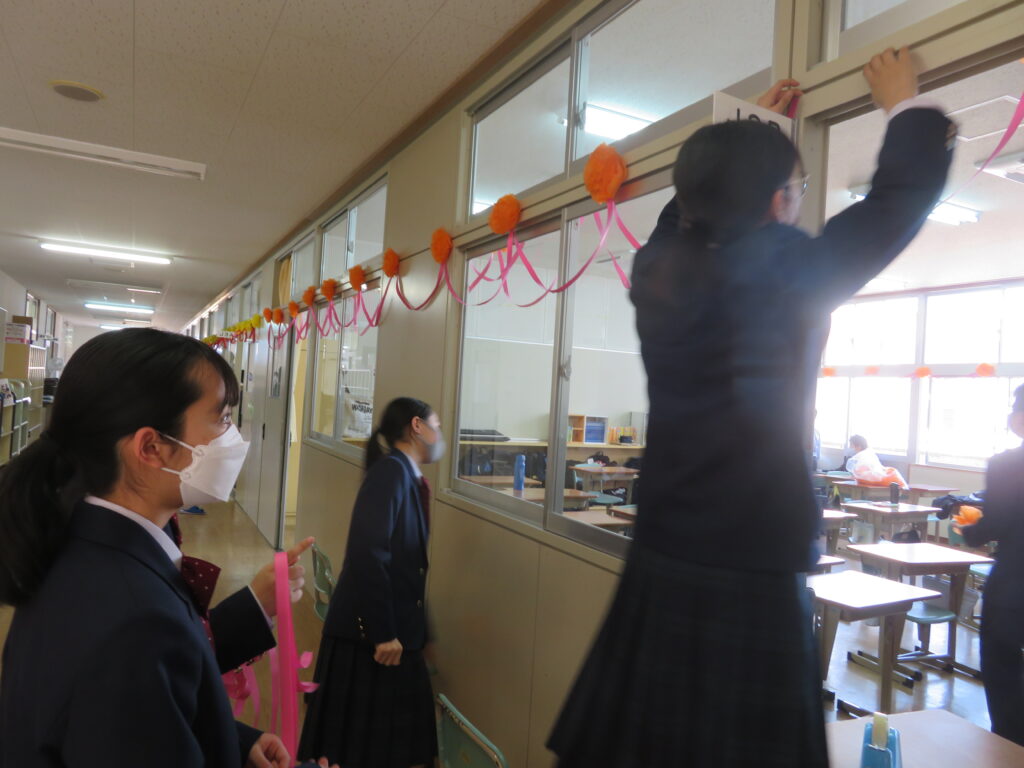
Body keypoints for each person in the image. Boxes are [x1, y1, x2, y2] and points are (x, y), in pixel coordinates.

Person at [548, 48, 954, 767]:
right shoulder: (788, 272)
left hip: (664, 552)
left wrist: (743, 141)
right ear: (775, 202)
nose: (797, 201)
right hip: (755, 566)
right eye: (795, 188)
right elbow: (896, 205)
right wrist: (904, 101)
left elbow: (683, 215)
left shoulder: (657, 269)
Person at [0, 328, 334, 768]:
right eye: (222, 418)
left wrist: (235, 743)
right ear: (152, 447)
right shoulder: (131, 618)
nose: (234, 437)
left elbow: (149, 704)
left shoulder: (81, 539)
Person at [299, 397, 441, 768]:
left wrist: (422, 633)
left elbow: (407, 566)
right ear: (417, 426)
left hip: (395, 632)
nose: (439, 435)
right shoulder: (390, 473)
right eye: (437, 426)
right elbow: (368, 553)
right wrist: (382, 632)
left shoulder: (406, 475)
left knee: (393, 749)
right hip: (370, 639)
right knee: (359, 751)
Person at [958, 384, 1024, 746]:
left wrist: (967, 527)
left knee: (1001, 667)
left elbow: (992, 525)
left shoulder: (1007, 464)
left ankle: (1010, 746)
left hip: (1015, 584)